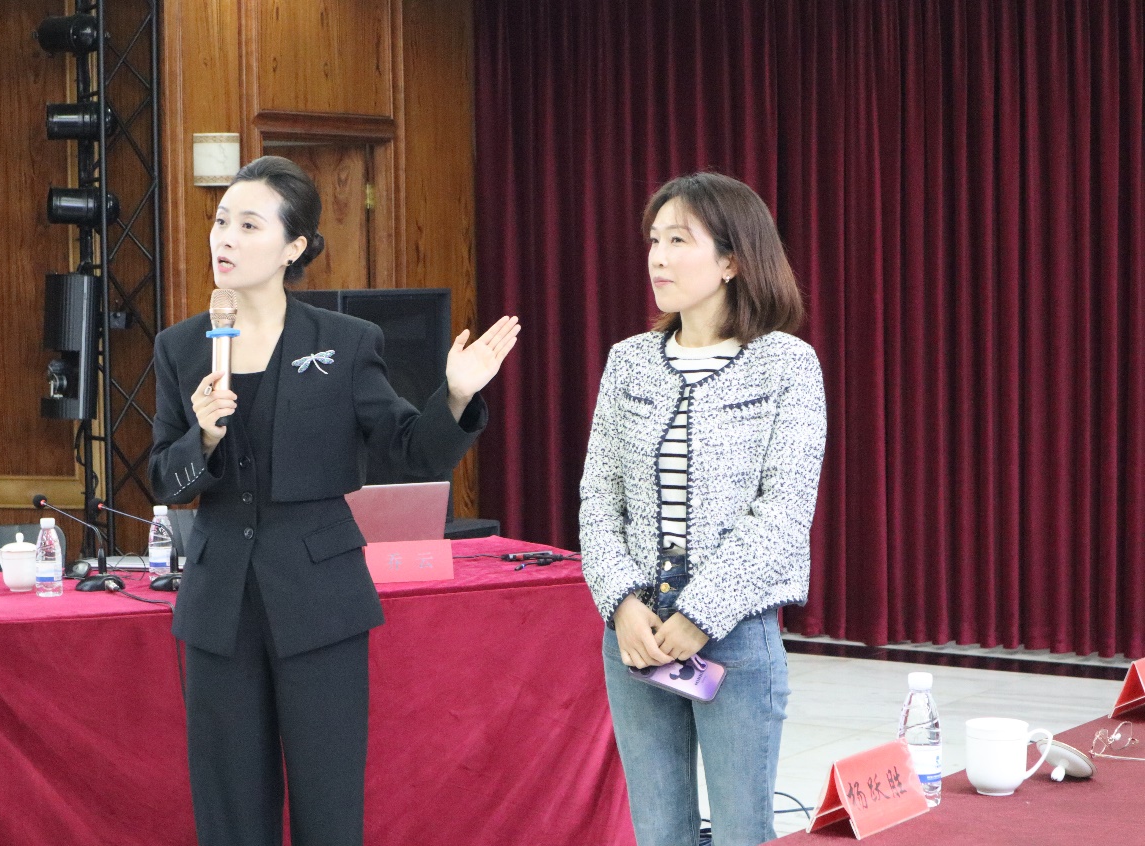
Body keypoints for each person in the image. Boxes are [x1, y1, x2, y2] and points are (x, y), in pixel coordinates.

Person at [149, 155, 519, 846]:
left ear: (293, 247)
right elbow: (163, 482)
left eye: (248, 225)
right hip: (218, 598)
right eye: (221, 221)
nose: (224, 238)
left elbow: (410, 451)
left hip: (320, 596)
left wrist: (456, 396)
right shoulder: (181, 347)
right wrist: (202, 438)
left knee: (328, 800)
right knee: (229, 808)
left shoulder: (344, 343)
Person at [579, 172, 826, 846]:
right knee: (660, 831)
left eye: (678, 241)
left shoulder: (785, 364)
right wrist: (621, 603)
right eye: (653, 240)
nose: (657, 258)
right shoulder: (629, 362)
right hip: (635, 634)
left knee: (743, 830)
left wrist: (701, 614)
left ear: (731, 260)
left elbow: (783, 512)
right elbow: (598, 498)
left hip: (734, 634)